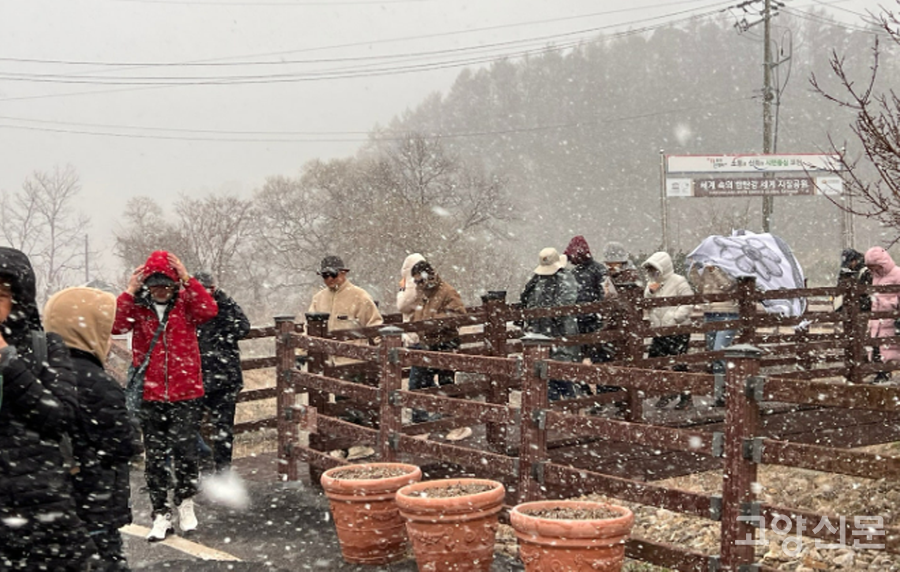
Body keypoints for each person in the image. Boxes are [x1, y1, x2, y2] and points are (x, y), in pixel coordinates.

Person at [0, 247, 97, 570]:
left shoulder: (46, 347)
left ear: (19, 299)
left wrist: (8, 362)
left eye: (0, 294)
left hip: (43, 512)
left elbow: (59, 416)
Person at [113, 250, 218, 541]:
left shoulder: (185, 303)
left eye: (167, 284)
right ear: (146, 283)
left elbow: (209, 310)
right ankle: (160, 514)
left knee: (186, 454)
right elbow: (116, 325)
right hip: (151, 395)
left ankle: (186, 504)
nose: (161, 290)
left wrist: (187, 279)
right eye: (154, 284)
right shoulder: (138, 306)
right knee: (155, 458)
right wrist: (129, 291)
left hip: (185, 394)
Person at [44, 287, 144, 571]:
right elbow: (123, 443)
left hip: (53, 504)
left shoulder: (41, 368)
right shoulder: (94, 380)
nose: (110, 340)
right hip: (94, 503)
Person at [307, 255, 384, 459]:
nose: (329, 279)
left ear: (343, 273)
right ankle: (343, 443)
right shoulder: (319, 298)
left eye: (332, 274)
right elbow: (310, 329)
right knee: (332, 406)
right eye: (324, 276)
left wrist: (382, 352)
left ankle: (361, 443)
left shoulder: (359, 296)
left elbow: (374, 325)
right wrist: (302, 353)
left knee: (353, 402)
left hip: (353, 361)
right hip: (328, 362)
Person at [408, 259, 472, 441]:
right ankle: (421, 425)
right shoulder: (423, 294)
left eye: (421, 280)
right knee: (417, 384)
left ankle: (455, 424)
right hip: (426, 344)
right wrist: (414, 329)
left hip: (445, 342)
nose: (419, 284)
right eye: (416, 281)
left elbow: (460, 316)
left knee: (447, 384)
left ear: (430, 276)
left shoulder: (447, 291)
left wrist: (435, 321)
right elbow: (417, 314)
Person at [195, 272, 251, 474]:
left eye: (209, 288)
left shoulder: (225, 304)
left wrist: (223, 304)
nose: (205, 293)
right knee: (188, 426)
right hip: (197, 378)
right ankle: (200, 466)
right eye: (201, 289)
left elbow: (243, 328)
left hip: (225, 377)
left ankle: (223, 471)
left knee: (224, 430)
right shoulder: (188, 308)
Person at [520, 248, 582, 401]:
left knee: (562, 370)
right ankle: (553, 410)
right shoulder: (537, 280)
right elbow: (529, 302)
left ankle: (569, 408)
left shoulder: (566, 278)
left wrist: (546, 313)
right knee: (546, 374)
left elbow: (566, 303)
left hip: (561, 332)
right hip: (541, 332)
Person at [643, 251, 694, 410]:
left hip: (677, 329)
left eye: (655, 269)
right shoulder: (652, 283)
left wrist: (675, 318)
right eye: (651, 269)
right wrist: (651, 291)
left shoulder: (678, 281)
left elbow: (689, 301)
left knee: (678, 363)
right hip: (659, 329)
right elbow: (646, 300)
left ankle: (686, 397)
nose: (653, 273)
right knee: (657, 361)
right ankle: (667, 391)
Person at [688, 263, 739, 376]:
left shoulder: (730, 265)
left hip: (728, 312)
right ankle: (719, 384)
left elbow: (727, 285)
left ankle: (732, 382)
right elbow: (701, 288)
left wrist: (713, 270)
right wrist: (693, 271)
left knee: (719, 351)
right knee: (711, 352)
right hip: (710, 313)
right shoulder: (707, 267)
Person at [563, 235, 607, 365]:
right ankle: (582, 384)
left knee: (598, 355)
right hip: (579, 320)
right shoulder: (574, 273)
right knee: (579, 357)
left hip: (594, 320)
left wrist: (598, 312)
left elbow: (604, 294)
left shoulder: (598, 270)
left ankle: (601, 383)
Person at [864, 247, 900, 384]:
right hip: (877, 319)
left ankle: (884, 373)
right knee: (877, 348)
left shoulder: (897, 274)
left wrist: (888, 304)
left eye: (875, 266)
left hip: (890, 319)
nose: (874, 269)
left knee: (890, 348)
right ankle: (882, 373)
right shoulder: (875, 277)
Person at [836, 248, 872, 314]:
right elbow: (839, 289)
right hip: (849, 306)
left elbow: (868, 290)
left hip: (863, 306)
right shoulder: (845, 271)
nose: (849, 266)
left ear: (855, 260)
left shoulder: (865, 271)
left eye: (850, 263)